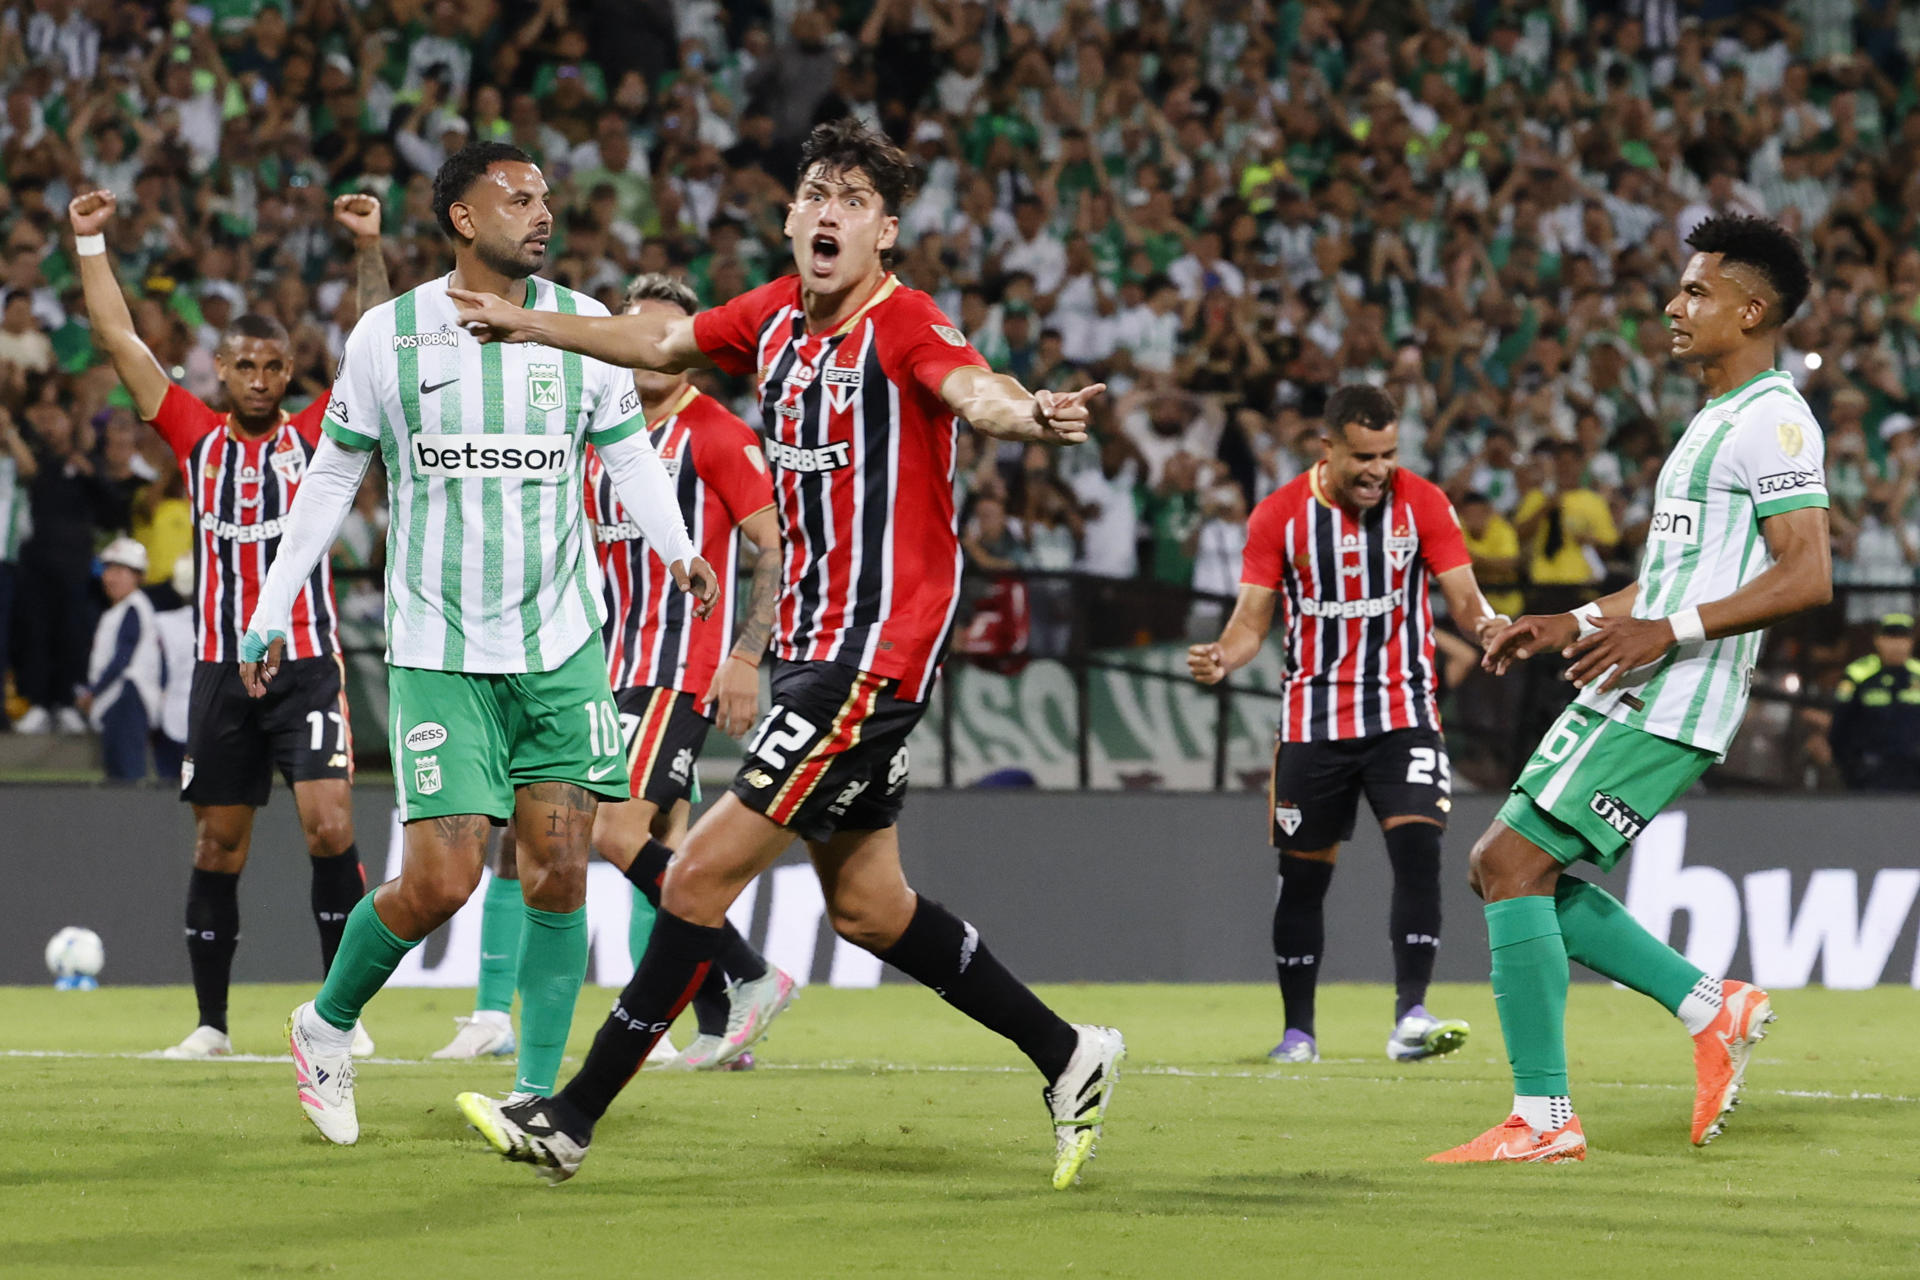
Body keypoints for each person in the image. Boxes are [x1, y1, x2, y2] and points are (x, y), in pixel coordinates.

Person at [449, 118, 1123, 1190]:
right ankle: (1067, 1051)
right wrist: (528, 328)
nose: (827, 210)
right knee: (868, 905)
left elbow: (971, 386)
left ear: (885, 232)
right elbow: (659, 345)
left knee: (698, 874)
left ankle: (571, 1116)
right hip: (816, 645)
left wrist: (1032, 414)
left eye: (853, 200)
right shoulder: (771, 318)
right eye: (815, 192)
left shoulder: (905, 324)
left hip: (874, 651)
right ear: (787, 216)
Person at [240, 141, 717, 1147]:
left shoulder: (583, 326)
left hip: (561, 643)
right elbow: (330, 482)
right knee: (444, 879)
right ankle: (324, 1023)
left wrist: (678, 550)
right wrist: (272, 602)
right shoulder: (389, 335)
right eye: (518, 197)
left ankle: (536, 1095)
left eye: (546, 196)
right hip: (441, 649)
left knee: (559, 870)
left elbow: (626, 452)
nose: (542, 211)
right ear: (462, 215)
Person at [1433, 216, 1830, 1164]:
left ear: (1753, 308)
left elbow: (1806, 573)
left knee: (1510, 863)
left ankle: (1546, 1118)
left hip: (1676, 692)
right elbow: (1668, 584)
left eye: (1696, 292)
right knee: (1505, 869)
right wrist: (1569, 622)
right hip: (1640, 674)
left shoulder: (1776, 418)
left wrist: (1667, 633)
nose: (1673, 307)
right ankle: (1708, 1007)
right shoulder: (1713, 422)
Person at [434, 272, 794, 1071]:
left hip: (675, 664)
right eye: (639, 334)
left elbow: (774, 544)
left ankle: (750, 973)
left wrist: (745, 655)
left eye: (668, 336)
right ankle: (716, 1018)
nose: (651, 351)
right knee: (659, 843)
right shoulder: (604, 435)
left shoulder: (718, 435)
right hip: (600, 664)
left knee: (612, 829)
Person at [67, 188, 389, 1060]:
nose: (256, 379)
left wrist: (368, 247)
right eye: (242, 366)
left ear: (288, 374)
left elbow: (377, 348)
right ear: (220, 370)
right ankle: (210, 1025)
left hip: (308, 662)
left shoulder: (320, 434)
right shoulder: (195, 438)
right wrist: (90, 244)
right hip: (218, 670)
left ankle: (341, 1019)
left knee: (331, 827)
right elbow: (119, 341)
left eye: (270, 368)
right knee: (219, 842)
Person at [1187, 384, 1507, 1065]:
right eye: (1363, 455)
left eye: (1388, 454)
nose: (1377, 469)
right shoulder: (1279, 517)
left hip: (1404, 713)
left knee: (1420, 852)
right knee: (1304, 880)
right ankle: (1298, 1033)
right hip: (1312, 723)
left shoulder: (1422, 503)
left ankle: (1411, 1017)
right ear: (1327, 448)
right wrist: (1222, 656)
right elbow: (1250, 625)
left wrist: (1490, 628)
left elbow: (1465, 600)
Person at [81, 536, 162, 781]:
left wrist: (93, 692)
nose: (109, 577)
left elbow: (123, 658)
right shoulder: (123, 609)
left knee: (127, 776)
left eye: (119, 570)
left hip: (127, 697)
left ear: (137, 575)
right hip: (121, 698)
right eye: (108, 569)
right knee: (117, 775)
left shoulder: (133, 607)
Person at [1828, 613, 1920, 791]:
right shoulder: (1858, 674)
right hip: (1870, 771)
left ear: (1911, 641)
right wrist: (1850, 766)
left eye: (1902, 638)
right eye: (1890, 637)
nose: (1896, 645)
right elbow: (1840, 725)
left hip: (1914, 771)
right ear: (1877, 640)